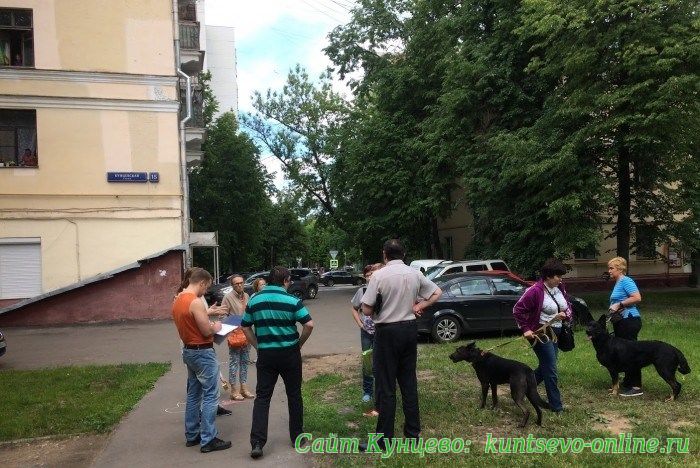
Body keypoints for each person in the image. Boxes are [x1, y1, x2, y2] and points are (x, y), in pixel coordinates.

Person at [360, 239, 442, 450]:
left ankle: (383, 440)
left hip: (387, 332)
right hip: (409, 330)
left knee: (386, 387)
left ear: (384, 254)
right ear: (403, 254)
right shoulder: (414, 273)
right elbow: (437, 292)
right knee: (408, 383)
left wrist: (379, 306)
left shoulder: (379, 276)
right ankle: (413, 435)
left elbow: (366, 309)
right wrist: (419, 305)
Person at [241, 266, 314, 460]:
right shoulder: (292, 300)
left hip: (266, 354)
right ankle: (297, 436)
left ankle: (257, 442)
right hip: (289, 353)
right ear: (285, 281)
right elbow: (308, 324)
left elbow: (245, 326)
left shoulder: (255, 300)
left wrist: (257, 346)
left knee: (262, 397)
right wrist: (299, 344)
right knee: (294, 395)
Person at [171, 267, 231, 453]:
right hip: (202, 352)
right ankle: (208, 439)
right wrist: (217, 326)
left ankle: (192, 435)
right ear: (202, 282)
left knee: (193, 394)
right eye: (207, 287)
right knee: (211, 395)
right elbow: (206, 331)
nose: (206, 291)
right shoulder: (195, 301)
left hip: (189, 350)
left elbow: (191, 324)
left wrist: (207, 316)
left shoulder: (178, 299)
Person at [513, 258, 573, 414]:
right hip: (540, 334)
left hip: (557, 332)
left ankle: (523, 387)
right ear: (548, 276)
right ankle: (556, 406)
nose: (561, 279)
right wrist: (526, 329)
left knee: (546, 366)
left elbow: (567, 305)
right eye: (558, 276)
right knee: (551, 369)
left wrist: (566, 315)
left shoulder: (560, 287)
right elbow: (517, 310)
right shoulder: (534, 291)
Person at [607, 256, 643, 396]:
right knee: (623, 352)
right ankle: (628, 382)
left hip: (629, 320)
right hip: (621, 321)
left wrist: (619, 304)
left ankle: (636, 386)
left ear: (620, 269)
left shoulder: (626, 281)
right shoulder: (618, 282)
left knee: (630, 352)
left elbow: (637, 297)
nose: (609, 271)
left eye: (611, 268)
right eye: (609, 268)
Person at [350, 263, 382, 416]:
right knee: (367, 362)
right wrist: (360, 323)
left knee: (381, 362)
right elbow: (354, 308)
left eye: (372, 274)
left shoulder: (383, 289)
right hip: (367, 333)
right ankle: (367, 392)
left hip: (382, 332)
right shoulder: (362, 291)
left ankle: (381, 391)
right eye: (368, 275)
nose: (370, 277)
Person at [221, 274, 254, 401]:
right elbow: (222, 316)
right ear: (232, 285)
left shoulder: (246, 296)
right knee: (234, 362)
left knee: (245, 361)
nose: (240, 285)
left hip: (247, 333)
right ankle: (234, 390)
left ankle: (243, 388)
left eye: (241, 283)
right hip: (235, 334)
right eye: (237, 283)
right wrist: (233, 324)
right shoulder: (228, 297)